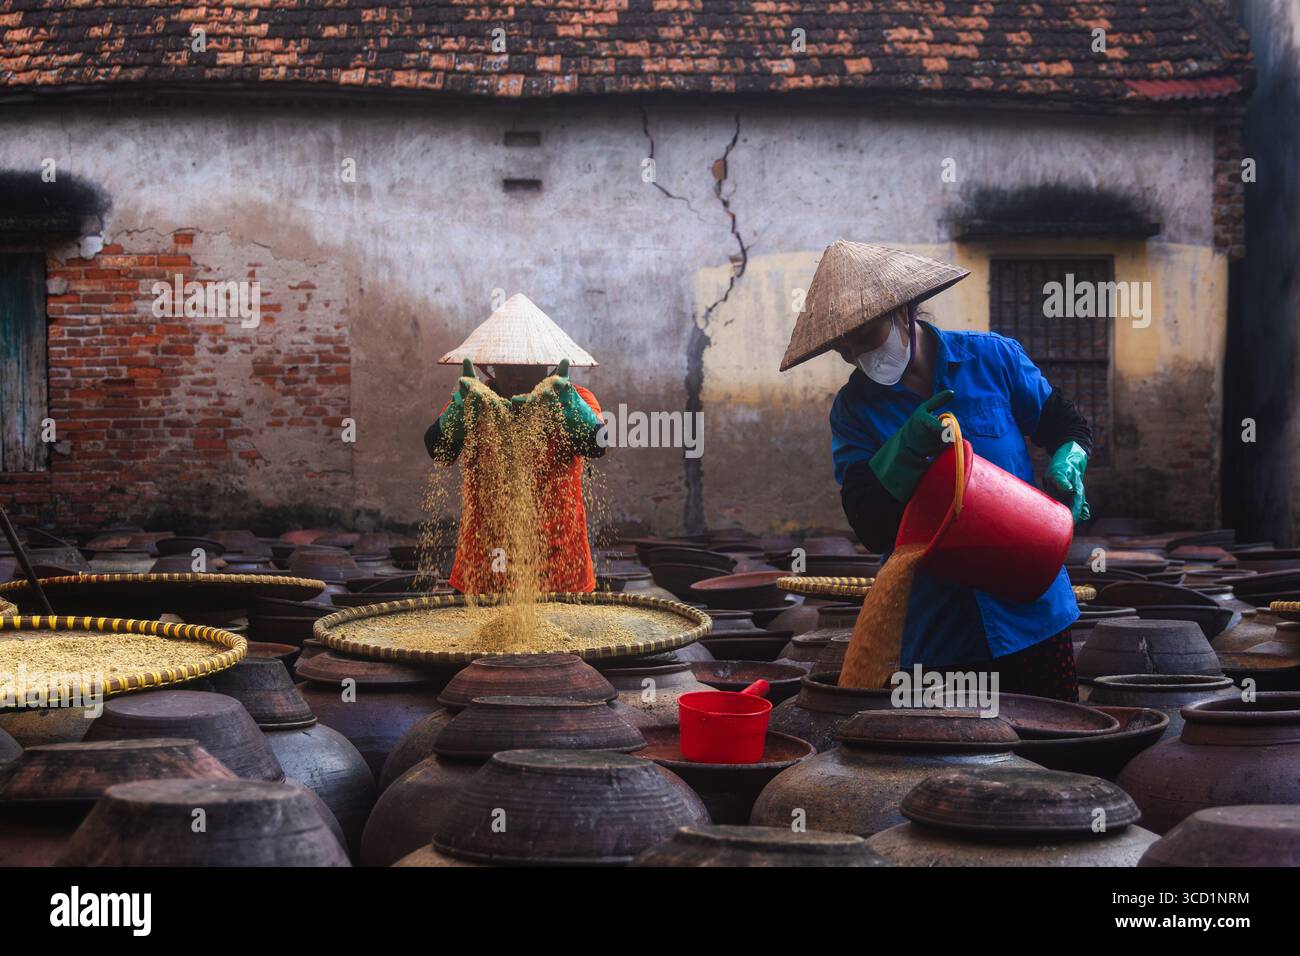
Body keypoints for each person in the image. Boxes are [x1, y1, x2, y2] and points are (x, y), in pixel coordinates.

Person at [780, 241, 1092, 701]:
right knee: (952, 763)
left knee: (1055, 749)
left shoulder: (994, 359)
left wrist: (1071, 462)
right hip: (939, 629)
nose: (855, 353)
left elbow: (1067, 426)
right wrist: (903, 451)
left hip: (1031, 609)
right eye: (842, 348)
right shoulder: (854, 410)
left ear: (903, 312)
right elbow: (870, 524)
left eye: (863, 335)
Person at [424, 293, 604, 594]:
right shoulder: (474, 401)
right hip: (484, 567)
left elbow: (597, 444)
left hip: (560, 570)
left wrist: (568, 405)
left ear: (546, 366)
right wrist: (459, 410)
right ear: (492, 366)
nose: (519, 373)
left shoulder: (575, 399)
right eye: (509, 365)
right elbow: (438, 450)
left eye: (529, 366)